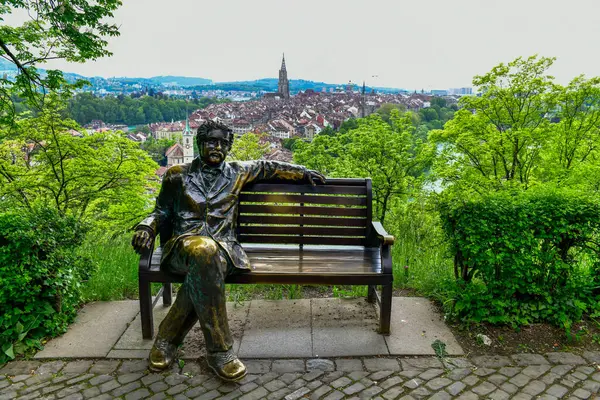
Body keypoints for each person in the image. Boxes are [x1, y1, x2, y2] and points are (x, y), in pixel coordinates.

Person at [131, 120, 325, 381]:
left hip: (224, 252)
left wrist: (302, 172)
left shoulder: (237, 172)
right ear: (200, 144)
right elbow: (161, 211)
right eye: (211, 141)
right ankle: (220, 351)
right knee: (203, 251)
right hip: (181, 248)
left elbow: (268, 166)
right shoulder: (177, 174)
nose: (217, 147)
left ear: (229, 147)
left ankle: (167, 339)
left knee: (207, 259)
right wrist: (146, 227)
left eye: (223, 143)